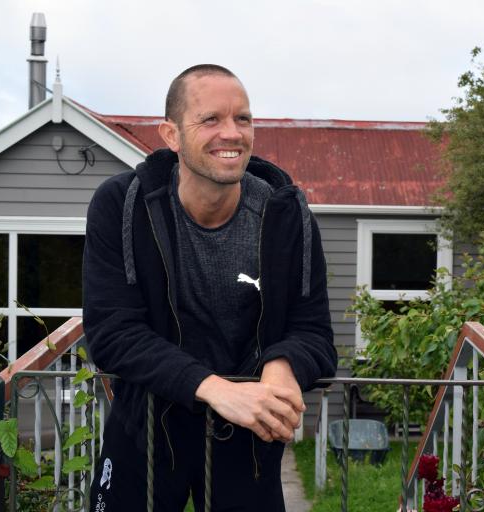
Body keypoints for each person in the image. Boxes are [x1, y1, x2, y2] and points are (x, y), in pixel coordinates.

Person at [83, 64, 337, 511]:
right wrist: (216, 389)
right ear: (171, 134)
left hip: (247, 441)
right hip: (144, 427)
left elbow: (314, 334)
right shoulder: (122, 205)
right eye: (211, 119)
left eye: (243, 118)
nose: (232, 133)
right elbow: (112, 334)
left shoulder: (287, 216)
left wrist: (282, 364)